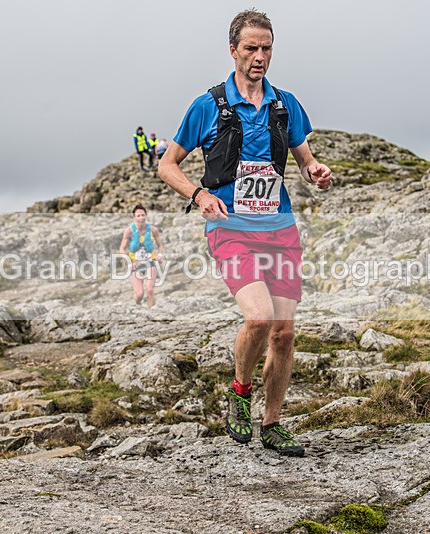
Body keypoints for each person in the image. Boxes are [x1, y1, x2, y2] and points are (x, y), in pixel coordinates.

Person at [158, 9, 332, 457]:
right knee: (258, 318)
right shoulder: (207, 106)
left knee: (284, 333)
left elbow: (304, 157)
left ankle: (272, 424)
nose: (260, 56)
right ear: (232, 50)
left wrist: (314, 169)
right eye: (251, 48)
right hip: (232, 230)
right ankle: (239, 391)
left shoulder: (284, 103)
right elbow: (166, 164)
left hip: (280, 229)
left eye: (267, 48)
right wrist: (199, 196)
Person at [119, 204, 165, 308]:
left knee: (150, 289)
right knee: (139, 294)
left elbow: (160, 246)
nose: (141, 218)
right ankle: (138, 306)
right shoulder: (129, 231)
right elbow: (121, 249)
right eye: (138, 216)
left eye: (143, 215)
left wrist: (160, 255)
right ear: (134, 217)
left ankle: (151, 310)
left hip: (150, 262)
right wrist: (129, 261)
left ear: (146, 216)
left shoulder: (153, 229)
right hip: (136, 264)